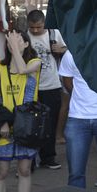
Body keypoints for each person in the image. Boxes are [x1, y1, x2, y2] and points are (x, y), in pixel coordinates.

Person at [0, 30, 42, 192]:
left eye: (18, 39)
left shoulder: (35, 62)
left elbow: (22, 69)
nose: (13, 42)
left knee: (25, 169)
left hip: (27, 126)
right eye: (10, 40)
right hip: (5, 127)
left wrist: (16, 51)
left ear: (27, 44)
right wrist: (2, 122)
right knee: (2, 170)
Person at [58, 50, 97, 192]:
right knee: (75, 173)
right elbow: (67, 80)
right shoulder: (71, 54)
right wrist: (81, 97)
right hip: (78, 118)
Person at [26, 9, 66, 170]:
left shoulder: (54, 33)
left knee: (50, 123)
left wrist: (60, 50)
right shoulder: (24, 36)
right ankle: (29, 161)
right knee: (30, 125)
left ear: (44, 23)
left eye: (38, 27)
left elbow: (67, 49)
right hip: (30, 87)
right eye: (32, 27)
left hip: (51, 84)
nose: (35, 30)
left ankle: (48, 157)